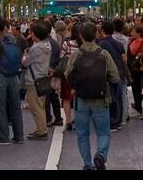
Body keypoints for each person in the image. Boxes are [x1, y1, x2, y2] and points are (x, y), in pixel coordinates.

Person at [64, 21, 119, 170]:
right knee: (103, 132)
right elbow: (115, 77)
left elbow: (67, 74)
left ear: (80, 36)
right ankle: (100, 155)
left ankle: (87, 164)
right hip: (101, 98)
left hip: (81, 98)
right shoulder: (104, 53)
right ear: (96, 34)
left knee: (82, 133)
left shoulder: (76, 54)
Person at [0, 19, 25, 145]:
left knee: (1, 106)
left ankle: (4, 137)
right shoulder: (12, 38)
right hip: (14, 74)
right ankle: (19, 135)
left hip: (0, 74)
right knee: (16, 105)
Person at [21, 20, 51, 139]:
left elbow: (25, 62)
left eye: (32, 33)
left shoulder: (36, 48)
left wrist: (24, 56)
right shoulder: (47, 45)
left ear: (36, 34)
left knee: (35, 106)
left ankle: (42, 130)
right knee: (40, 105)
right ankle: (41, 128)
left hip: (34, 80)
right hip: (42, 78)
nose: (30, 34)